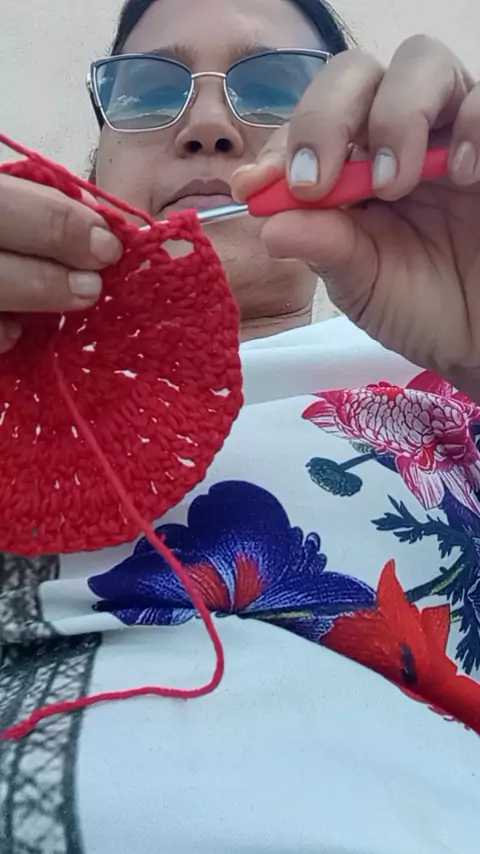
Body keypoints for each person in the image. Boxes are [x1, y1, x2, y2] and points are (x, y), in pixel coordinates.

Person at [1, 0, 480, 851]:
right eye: (149, 90)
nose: (209, 126)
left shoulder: (450, 373)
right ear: (95, 168)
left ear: (363, 153)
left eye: (274, 86)